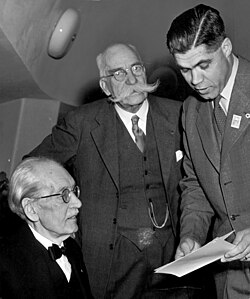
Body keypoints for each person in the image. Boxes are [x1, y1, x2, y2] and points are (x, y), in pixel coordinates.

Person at [24, 43, 184, 298]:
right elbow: (31, 166)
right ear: (105, 86)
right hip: (111, 257)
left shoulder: (179, 115)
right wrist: (62, 199)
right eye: (118, 74)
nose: (132, 79)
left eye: (136, 68)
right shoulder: (82, 122)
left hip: (172, 252)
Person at [167, 4, 250, 298]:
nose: (196, 81)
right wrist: (191, 234)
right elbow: (196, 185)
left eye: (204, 65)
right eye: (185, 70)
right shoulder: (191, 111)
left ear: (226, 48)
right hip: (230, 273)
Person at [0, 157, 93, 298]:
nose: (78, 203)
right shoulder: (6, 264)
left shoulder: (72, 248)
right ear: (32, 209)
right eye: (64, 195)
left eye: (74, 191)